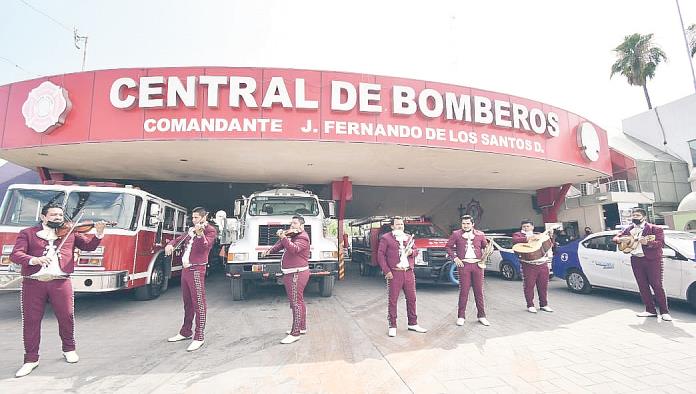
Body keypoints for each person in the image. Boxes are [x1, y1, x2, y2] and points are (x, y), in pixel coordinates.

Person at [11, 204, 106, 378]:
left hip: (61, 281)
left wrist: (98, 233)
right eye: (53, 215)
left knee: (67, 316)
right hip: (33, 283)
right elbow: (16, 255)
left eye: (60, 215)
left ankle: (69, 349)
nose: (58, 218)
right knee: (31, 321)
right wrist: (34, 259)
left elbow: (89, 246)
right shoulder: (28, 233)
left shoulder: (71, 232)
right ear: (43, 217)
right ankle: (31, 359)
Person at [165, 207, 217, 352]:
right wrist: (170, 244)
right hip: (186, 269)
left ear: (203, 217)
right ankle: (185, 331)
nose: (193, 220)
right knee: (188, 303)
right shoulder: (191, 230)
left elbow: (205, 247)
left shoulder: (210, 230)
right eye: (192, 218)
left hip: (197, 269)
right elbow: (180, 239)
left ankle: (199, 336)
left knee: (199, 302)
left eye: (196, 217)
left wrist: (200, 234)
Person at [612, 208, 671, 321]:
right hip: (636, 259)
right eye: (633, 215)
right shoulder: (629, 229)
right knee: (642, 286)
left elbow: (660, 243)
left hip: (652, 260)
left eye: (638, 215)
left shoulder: (655, 228)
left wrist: (648, 242)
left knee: (657, 285)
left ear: (644, 217)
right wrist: (619, 239)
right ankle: (650, 310)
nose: (635, 217)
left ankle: (664, 311)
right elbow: (615, 237)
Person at [262, 215, 311, 344]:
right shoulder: (292, 236)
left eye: (295, 223)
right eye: (291, 223)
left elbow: (293, 249)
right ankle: (302, 327)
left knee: (295, 303)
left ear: (302, 225)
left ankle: (295, 333)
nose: (292, 226)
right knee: (298, 301)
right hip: (292, 273)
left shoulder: (303, 237)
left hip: (297, 273)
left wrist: (283, 237)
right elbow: (280, 245)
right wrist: (269, 251)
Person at [377, 216, 428, 337]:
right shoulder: (386, 238)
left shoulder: (409, 237)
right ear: (392, 226)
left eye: (402, 224)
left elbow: (416, 251)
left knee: (412, 298)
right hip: (394, 272)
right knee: (393, 300)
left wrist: (412, 252)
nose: (400, 226)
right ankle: (392, 325)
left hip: (408, 272)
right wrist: (386, 271)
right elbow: (380, 255)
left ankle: (413, 323)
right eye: (398, 224)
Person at [445, 215, 490, 326]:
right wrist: (455, 258)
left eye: (468, 223)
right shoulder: (456, 234)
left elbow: (485, 246)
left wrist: (487, 252)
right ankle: (461, 316)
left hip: (478, 265)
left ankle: (482, 315)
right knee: (464, 291)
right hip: (464, 265)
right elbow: (448, 247)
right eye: (463, 223)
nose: (465, 225)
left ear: (472, 224)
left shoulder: (480, 234)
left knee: (479, 291)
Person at [512, 219, 554, 313]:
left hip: (542, 263)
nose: (526, 228)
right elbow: (515, 240)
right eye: (524, 226)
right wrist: (529, 238)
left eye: (528, 226)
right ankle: (530, 305)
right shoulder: (518, 235)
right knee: (529, 286)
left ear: (532, 227)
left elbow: (550, 245)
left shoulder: (539, 234)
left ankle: (544, 304)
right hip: (528, 265)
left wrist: (550, 236)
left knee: (543, 286)